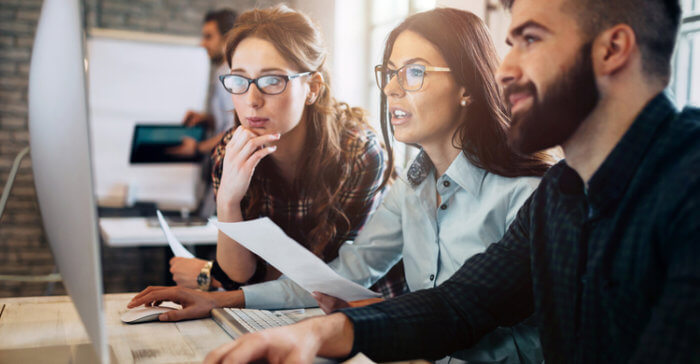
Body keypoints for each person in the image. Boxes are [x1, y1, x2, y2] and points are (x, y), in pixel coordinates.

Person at [202, 0, 700, 363]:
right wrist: (318, 334)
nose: (504, 70)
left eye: (530, 39)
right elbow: (459, 304)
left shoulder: (685, 186)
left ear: (613, 49)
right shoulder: (561, 194)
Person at [132, 8, 552, 363]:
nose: (391, 88)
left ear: (467, 86)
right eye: (389, 73)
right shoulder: (414, 188)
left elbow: (496, 327)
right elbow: (343, 274)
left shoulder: (529, 198)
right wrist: (220, 299)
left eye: (415, 72)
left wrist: (345, 329)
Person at [130, 4, 401, 313]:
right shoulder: (229, 151)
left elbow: (323, 279)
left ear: (312, 88)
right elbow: (239, 274)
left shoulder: (357, 153)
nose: (251, 100)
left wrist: (209, 276)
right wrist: (228, 202)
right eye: (239, 80)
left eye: (272, 80)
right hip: (277, 311)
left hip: (367, 316)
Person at [167, 8, 238, 289]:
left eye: (209, 36)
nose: (203, 43)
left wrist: (196, 146)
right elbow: (225, 120)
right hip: (214, 176)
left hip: (224, 176)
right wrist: (205, 119)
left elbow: (235, 129)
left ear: (227, 37)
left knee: (214, 255)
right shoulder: (220, 72)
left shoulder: (230, 74)